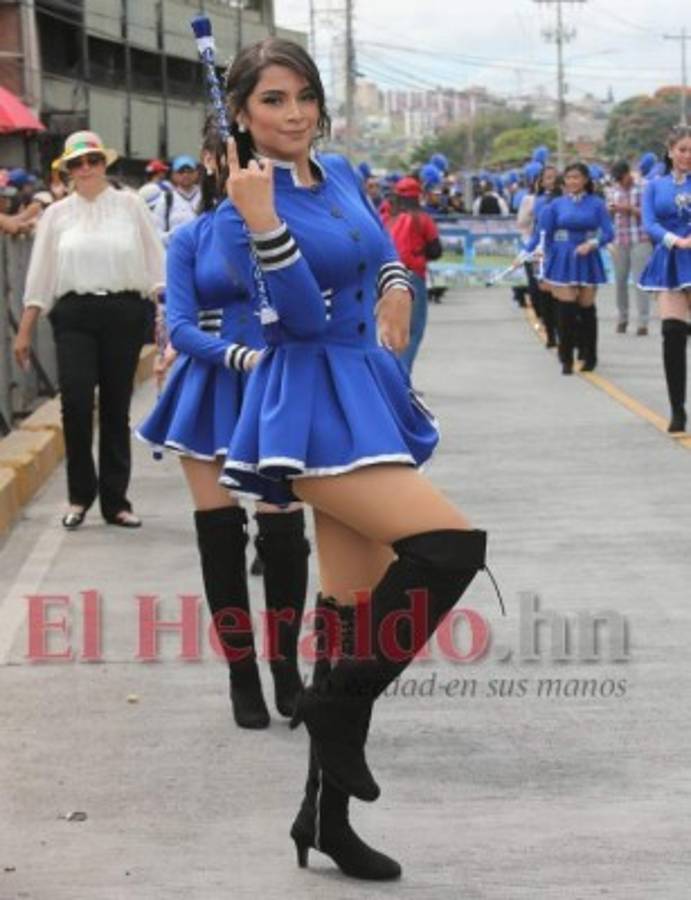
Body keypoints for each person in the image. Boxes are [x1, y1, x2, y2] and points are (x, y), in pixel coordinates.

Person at [214, 37, 492, 882]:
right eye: (272, 100)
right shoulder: (234, 210)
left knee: (349, 612)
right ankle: (336, 707)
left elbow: (377, 253)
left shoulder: (333, 172)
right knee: (449, 546)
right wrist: (260, 218)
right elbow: (294, 317)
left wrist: (399, 288)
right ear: (240, 114)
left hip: (363, 391)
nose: (293, 114)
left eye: (302, 96)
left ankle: (321, 820)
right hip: (306, 408)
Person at [137, 117, 310, 729]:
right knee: (219, 535)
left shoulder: (293, 227)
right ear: (213, 163)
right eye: (232, 156)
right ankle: (242, 676)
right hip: (211, 387)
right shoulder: (192, 237)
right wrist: (241, 356)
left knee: (284, 531)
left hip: (278, 391)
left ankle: (286, 669)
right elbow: (181, 326)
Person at [13, 130, 164, 528]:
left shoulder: (130, 205)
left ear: (104, 163)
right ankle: (79, 495)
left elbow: (155, 262)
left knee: (116, 407)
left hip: (124, 311)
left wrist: (166, 312)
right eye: (76, 163)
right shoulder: (55, 215)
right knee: (76, 403)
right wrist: (25, 330)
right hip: (74, 314)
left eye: (93, 161)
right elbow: (40, 275)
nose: (85, 169)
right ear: (67, 170)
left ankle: (116, 502)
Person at [536, 162, 613, 374]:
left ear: (586, 180)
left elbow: (608, 233)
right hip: (562, 258)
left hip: (588, 257)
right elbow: (545, 236)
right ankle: (566, 357)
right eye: (569, 178)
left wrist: (592, 244)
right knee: (566, 310)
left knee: (587, 308)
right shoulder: (556, 205)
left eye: (577, 177)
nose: (572, 182)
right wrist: (543, 263)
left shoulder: (597, 204)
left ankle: (590, 355)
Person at [638, 125, 691, 433]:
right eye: (682, 150)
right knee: (672, 334)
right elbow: (649, 223)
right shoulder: (654, 186)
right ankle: (677, 409)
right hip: (671, 260)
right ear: (671, 151)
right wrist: (675, 240)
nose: (687, 156)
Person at [385, 176, 442, 373]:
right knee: (413, 329)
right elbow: (436, 250)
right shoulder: (422, 219)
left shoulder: (387, 217)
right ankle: (403, 378)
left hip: (386, 277)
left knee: (390, 330)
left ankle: (391, 376)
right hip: (413, 276)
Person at [606, 160, 652, 335]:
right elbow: (608, 213)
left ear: (628, 173)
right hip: (620, 239)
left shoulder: (644, 187)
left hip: (641, 238)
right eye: (617, 179)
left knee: (640, 281)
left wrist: (629, 208)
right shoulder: (612, 190)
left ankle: (643, 322)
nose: (620, 181)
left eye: (621, 177)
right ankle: (622, 318)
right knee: (620, 281)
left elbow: (649, 214)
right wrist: (612, 210)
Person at [152, 154, 201, 246]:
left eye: (190, 171)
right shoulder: (166, 198)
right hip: (176, 253)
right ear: (173, 175)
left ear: (196, 174)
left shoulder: (206, 196)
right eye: (181, 171)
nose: (186, 175)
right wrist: (173, 236)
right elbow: (155, 233)